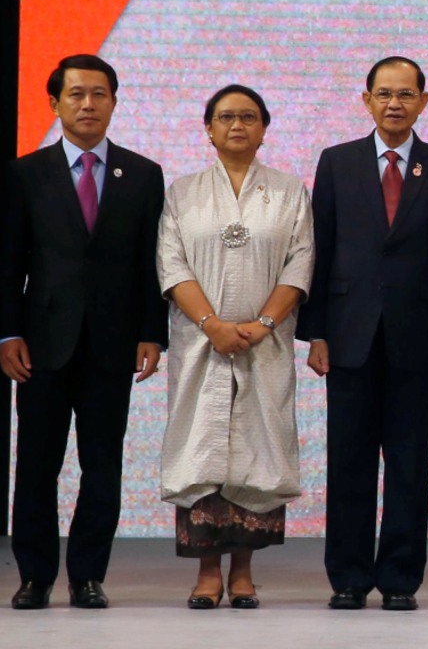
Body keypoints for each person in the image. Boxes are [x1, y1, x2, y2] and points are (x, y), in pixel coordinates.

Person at [301, 56, 428, 611]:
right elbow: (318, 251)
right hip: (349, 337)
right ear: (367, 100)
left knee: (408, 463)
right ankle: (348, 576)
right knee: (348, 462)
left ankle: (400, 577)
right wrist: (316, 332)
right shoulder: (337, 162)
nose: (394, 103)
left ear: (424, 100)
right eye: (383, 93)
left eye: (405, 94)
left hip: (419, 341)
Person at [1, 54, 167, 611]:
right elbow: (9, 262)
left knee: (103, 465)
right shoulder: (26, 173)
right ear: (55, 103)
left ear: (115, 102)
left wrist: (152, 333)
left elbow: (150, 263)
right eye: (76, 94)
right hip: (42, 343)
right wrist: (6, 334)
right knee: (37, 466)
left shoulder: (143, 174)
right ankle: (35, 576)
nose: (88, 104)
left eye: (99, 94)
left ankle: (89, 576)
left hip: (113, 343)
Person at [157, 85, 314, 610]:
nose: (237, 126)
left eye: (248, 117)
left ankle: (244, 572)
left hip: (265, 344)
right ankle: (206, 572)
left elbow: (300, 261)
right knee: (204, 446)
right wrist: (211, 324)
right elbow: (171, 263)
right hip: (201, 343)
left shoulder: (290, 191)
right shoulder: (183, 192)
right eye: (225, 117)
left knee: (257, 447)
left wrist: (265, 322)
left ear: (265, 127)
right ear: (208, 129)